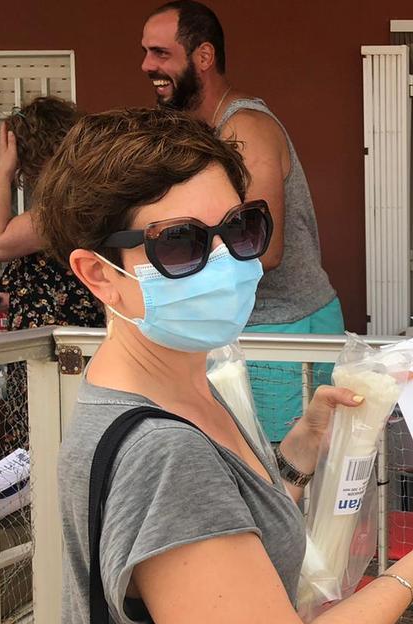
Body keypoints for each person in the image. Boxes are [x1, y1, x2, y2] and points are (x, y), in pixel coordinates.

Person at [41, 107, 413, 624]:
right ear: (99, 274)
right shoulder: (162, 450)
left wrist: (299, 453)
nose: (225, 262)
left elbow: (226, 529)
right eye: (180, 244)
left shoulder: (184, 387)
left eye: (239, 227)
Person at [140, 0, 343, 442]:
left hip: (283, 328)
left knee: (280, 474)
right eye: (146, 52)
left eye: (160, 53)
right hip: (257, 328)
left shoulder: (243, 130)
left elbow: (263, 250)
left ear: (204, 57)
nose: (146, 65)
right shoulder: (205, 131)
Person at [0, 96, 103, 331]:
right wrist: (13, 299)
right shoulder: (91, 195)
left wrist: (4, 171)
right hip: (70, 340)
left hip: (61, 351)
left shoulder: (70, 205)